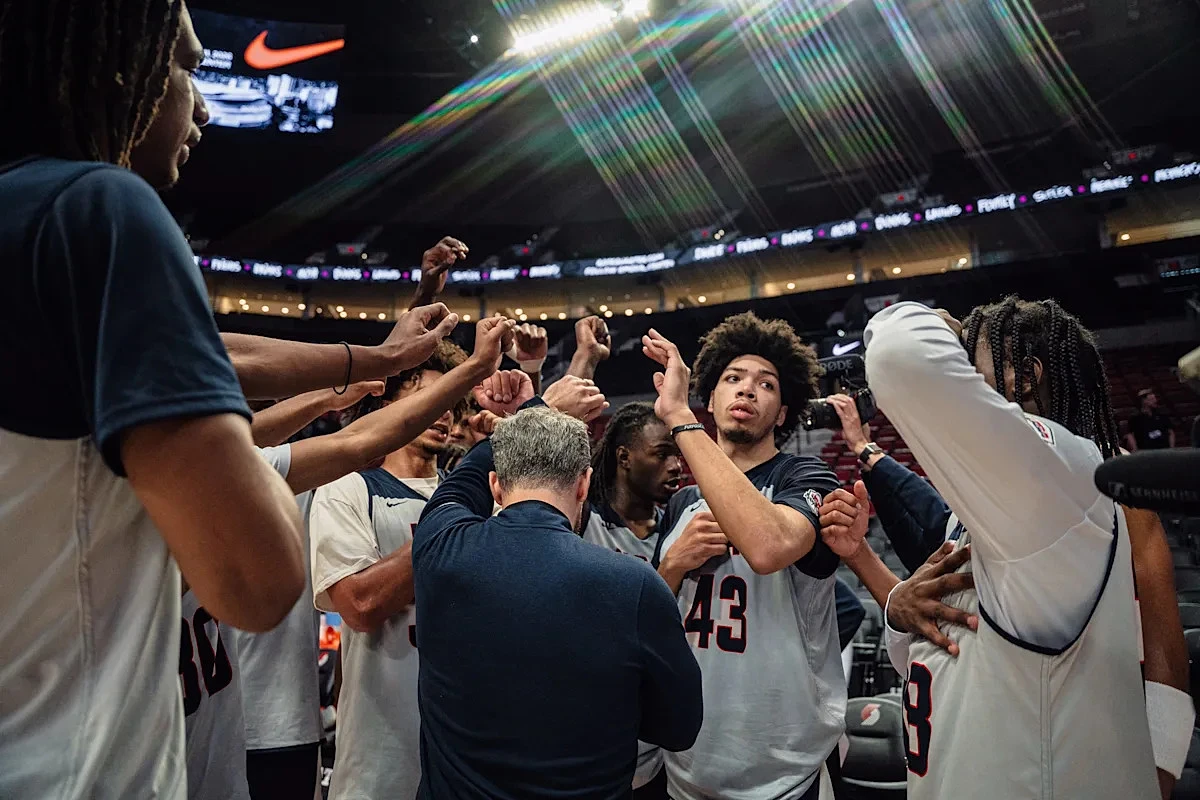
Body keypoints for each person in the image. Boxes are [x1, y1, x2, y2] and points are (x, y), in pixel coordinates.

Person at [0, 3, 308, 797]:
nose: (200, 102)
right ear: (118, 68)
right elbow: (255, 580)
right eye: (187, 66)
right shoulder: (102, 210)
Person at [844, 297, 1163, 798]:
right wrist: (899, 610)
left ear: (1026, 378)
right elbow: (950, 651)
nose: (961, 370)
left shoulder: (1067, 470)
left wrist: (950, 323)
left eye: (970, 359)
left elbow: (897, 350)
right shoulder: (999, 500)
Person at [412, 398, 701, 800]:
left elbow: (461, 486)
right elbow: (680, 727)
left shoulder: (440, 548)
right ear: (584, 483)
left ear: (496, 485)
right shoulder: (636, 584)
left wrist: (532, 406)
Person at [643, 312, 855, 800]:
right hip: (688, 763)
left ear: (782, 413)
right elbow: (655, 614)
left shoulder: (808, 478)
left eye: (766, 384)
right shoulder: (678, 503)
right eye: (733, 379)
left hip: (784, 770)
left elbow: (768, 548)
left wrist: (678, 416)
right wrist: (673, 565)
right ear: (712, 398)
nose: (747, 390)